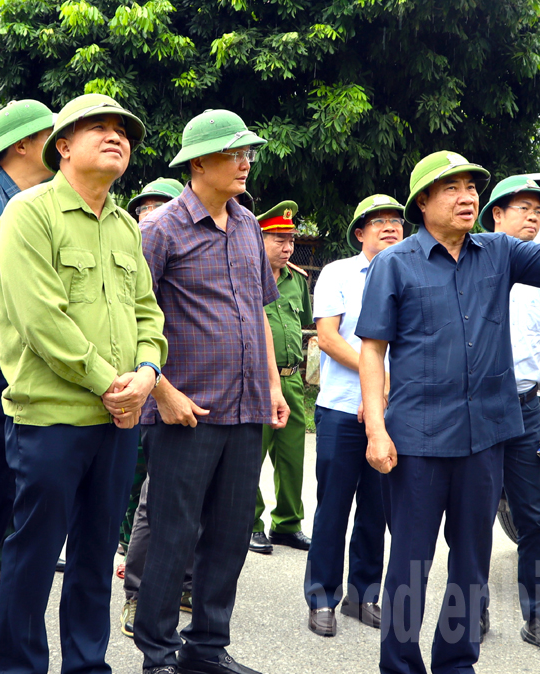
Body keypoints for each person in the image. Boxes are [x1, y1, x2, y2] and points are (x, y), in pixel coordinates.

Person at [357, 149, 540, 674]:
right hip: (416, 438)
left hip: (485, 438)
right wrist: (376, 428)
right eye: (452, 189)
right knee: (410, 564)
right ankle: (399, 664)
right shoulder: (394, 265)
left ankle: (457, 662)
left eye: (471, 187)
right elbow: (372, 351)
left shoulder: (499, 251)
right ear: (423, 202)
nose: (468, 197)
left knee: (471, 564)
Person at [0, 93, 167, 673]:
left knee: (94, 557)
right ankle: (19, 666)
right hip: (52, 417)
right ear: (62, 146)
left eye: (123, 130)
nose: (116, 137)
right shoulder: (29, 213)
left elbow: (148, 312)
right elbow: (42, 319)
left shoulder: (124, 226)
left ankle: (88, 665)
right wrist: (112, 384)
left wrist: (146, 375)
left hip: (118, 420)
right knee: (34, 555)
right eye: (99, 128)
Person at [132, 109, 287, 674]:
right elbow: (132, 320)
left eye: (248, 152)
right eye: (233, 153)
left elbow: (259, 314)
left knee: (228, 536)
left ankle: (207, 647)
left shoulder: (248, 225)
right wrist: (162, 393)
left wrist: (272, 384)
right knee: (174, 536)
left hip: (246, 410)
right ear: (199, 162)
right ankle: (156, 650)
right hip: (186, 410)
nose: (245, 162)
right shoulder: (160, 229)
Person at [304, 194, 408, 637]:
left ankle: (364, 596)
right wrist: (378, 381)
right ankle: (322, 598)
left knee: (377, 510)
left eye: (396, 221)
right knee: (333, 508)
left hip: (393, 413)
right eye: (378, 221)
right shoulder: (338, 273)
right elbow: (327, 337)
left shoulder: (413, 273)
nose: (390, 227)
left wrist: (387, 392)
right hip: (344, 409)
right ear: (360, 232)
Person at [478, 175, 540, 657]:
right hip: (475, 406)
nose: (534, 216)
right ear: (496, 213)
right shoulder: (473, 262)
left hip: (522, 406)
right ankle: (470, 608)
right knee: (473, 514)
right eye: (523, 207)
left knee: (534, 517)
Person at [0, 99, 56, 659]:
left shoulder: (48, 208)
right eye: (51, 133)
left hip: (20, 377)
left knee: (0, 501)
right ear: (21, 144)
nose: (61, 141)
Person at [119, 177, 191, 639]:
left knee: (195, 503)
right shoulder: (141, 246)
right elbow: (133, 320)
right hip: (154, 388)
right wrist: (157, 385)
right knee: (152, 497)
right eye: (145, 206)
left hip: (204, 392)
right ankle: (137, 595)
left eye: (162, 205)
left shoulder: (196, 238)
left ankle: (183, 585)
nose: (153, 214)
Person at [248, 200, 314, 554]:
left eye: (290, 240)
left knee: (292, 456)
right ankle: (249, 523)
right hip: (255, 380)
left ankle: (287, 524)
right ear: (259, 240)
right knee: (250, 454)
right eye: (278, 240)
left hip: (291, 379)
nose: (287, 247)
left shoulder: (296, 281)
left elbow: (301, 326)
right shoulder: (245, 277)